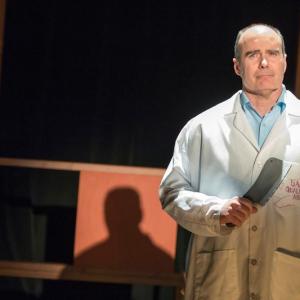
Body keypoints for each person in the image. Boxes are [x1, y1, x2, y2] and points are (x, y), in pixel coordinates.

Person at [159, 23, 300, 300]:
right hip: (219, 279)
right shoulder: (202, 128)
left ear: (284, 61)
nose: (263, 62)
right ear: (237, 66)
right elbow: (171, 193)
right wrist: (215, 211)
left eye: (272, 53)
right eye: (252, 55)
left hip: (287, 280)